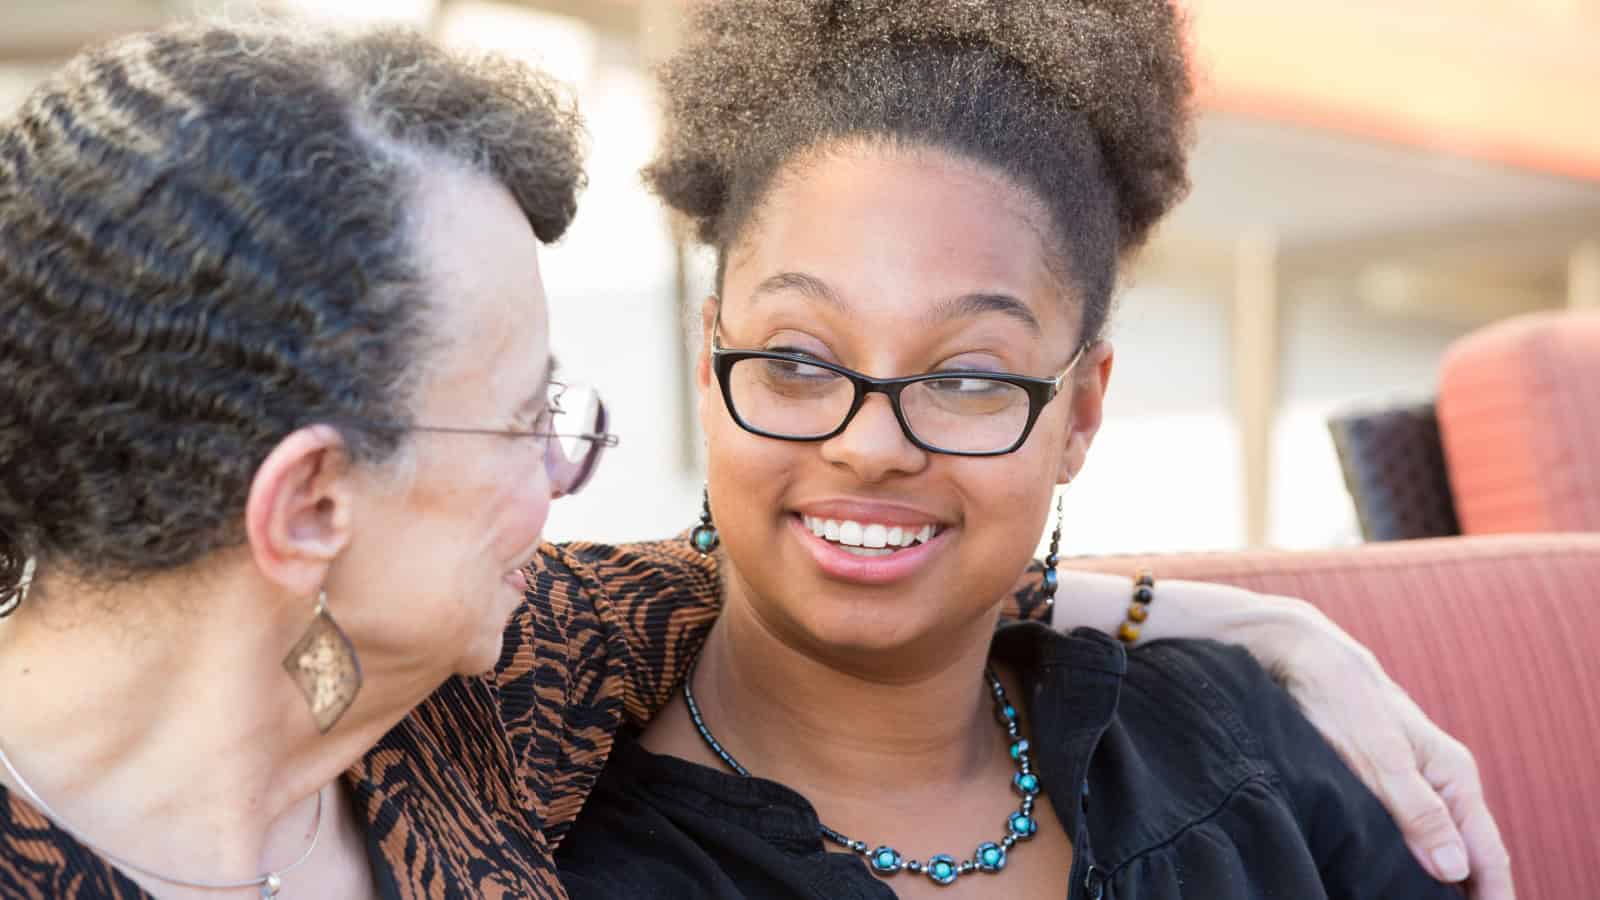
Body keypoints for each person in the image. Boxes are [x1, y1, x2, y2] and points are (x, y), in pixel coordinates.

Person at [0, 14, 1506, 900]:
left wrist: (1251, 618)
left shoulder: (486, 693)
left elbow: (833, 564)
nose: (568, 482)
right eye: (534, 421)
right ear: (310, 506)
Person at [552, 1, 1507, 898]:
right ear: (710, 364)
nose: (871, 444)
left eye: (968, 378)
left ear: (1081, 414)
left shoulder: (1240, 750)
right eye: (798, 360)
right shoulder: (566, 855)